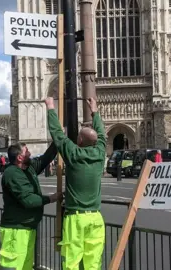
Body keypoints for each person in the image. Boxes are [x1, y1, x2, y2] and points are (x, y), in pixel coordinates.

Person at [44, 97, 106, 270]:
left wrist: (50, 108)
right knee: (93, 263)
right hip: (95, 217)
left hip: (76, 218)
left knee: (71, 263)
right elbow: (101, 134)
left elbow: (57, 134)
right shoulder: (100, 153)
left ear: (79, 141)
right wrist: (95, 111)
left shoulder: (72, 154)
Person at [0, 142, 62, 270]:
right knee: (12, 266)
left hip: (27, 228)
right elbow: (28, 200)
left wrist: (58, 140)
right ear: (19, 158)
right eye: (26, 151)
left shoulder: (28, 167)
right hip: (15, 230)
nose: (30, 153)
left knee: (25, 266)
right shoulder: (12, 173)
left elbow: (45, 159)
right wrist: (51, 198)